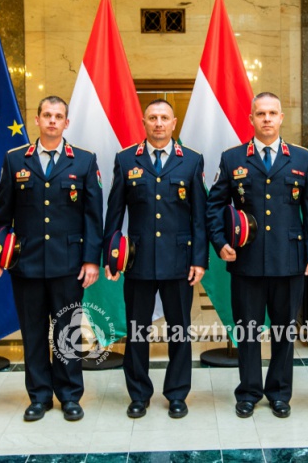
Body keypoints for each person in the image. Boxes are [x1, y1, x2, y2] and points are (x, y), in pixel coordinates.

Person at [206, 92, 308, 419]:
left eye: (273, 113)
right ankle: (248, 392)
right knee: (247, 332)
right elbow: (214, 207)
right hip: (247, 262)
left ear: (281, 118)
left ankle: (279, 393)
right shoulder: (232, 158)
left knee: (284, 332)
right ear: (251, 119)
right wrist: (220, 242)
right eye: (261, 113)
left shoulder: (301, 158)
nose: (267, 119)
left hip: (290, 260)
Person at [0, 95, 102, 423]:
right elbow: (1, 213)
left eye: (58, 116)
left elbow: (93, 217)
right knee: (33, 333)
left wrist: (91, 260)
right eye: (47, 115)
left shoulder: (83, 161)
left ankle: (70, 396)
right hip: (27, 264)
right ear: (36, 120)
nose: (52, 120)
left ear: (67, 123)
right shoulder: (15, 160)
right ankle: (39, 396)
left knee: (67, 331)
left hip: (69, 264)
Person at [103, 99, 208, 419]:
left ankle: (177, 394)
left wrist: (199, 259)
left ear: (174, 123)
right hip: (138, 261)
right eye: (152, 117)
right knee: (137, 331)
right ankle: (138, 394)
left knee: (179, 331)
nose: (158, 123)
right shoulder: (126, 159)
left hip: (179, 261)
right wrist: (111, 256)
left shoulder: (191, 160)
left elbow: (199, 217)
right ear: (144, 122)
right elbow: (114, 213)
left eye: (164, 118)